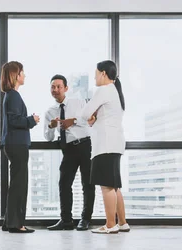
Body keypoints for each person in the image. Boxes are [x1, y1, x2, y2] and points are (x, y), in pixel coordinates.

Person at [80, 60, 130, 234]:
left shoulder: (104, 90)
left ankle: (110, 224)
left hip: (105, 144)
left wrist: (91, 117)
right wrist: (95, 118)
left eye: (96, 73)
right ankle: (122, 222)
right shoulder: (114, 91)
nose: (94, 76)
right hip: (114, 143)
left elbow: (85, 113)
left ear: (103, 73)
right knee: (114, 186)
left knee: (106, 186)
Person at [44, 74, 95, 231]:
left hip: (85, 145)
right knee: (64, 184)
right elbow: (48, 137)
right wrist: (52, 127)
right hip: (69, 149)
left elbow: (90, 120)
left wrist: (72, 121)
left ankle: (85, 219)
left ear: (66, 88)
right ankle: (66, 220)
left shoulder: (78, 102)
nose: (56, 89)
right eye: (53, 87)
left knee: (87, 184)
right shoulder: (50, 112)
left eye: (59, 86)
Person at [0, 61, 39, 233]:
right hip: (17, 144)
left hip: (13, 143)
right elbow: (15, 120)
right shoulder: (13, 96)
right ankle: (16, 224)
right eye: (22, 72)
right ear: (15, 75)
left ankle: (10, 222)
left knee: (16, 184)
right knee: (19, 185)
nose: (24, 75)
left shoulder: (11, 95)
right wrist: (32, 120)